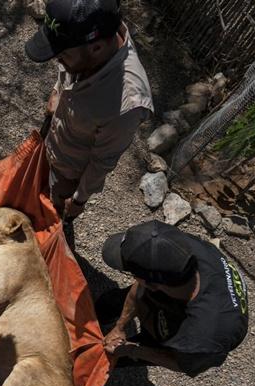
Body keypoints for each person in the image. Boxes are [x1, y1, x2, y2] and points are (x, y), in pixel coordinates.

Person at [25, 0, 154, 221]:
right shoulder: (89, 43)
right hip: (53, 144)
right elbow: (67, 69)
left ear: (96, 47)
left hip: (68, 171)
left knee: (50, 216)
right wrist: (58, 90)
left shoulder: (126, 105)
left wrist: (78, 199)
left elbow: (102, 160)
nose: (58, 61)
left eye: (62, 56)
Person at [98, 221, 249, 377]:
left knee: (114, 356)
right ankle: (102, 316)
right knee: (111, 303)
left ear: (153, 285)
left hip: (185, 338)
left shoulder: (202, 338)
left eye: (133, 272)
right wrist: (120, 326)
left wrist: (130, 350)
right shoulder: (176, 246)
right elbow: (140, 285)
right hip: (165, 292)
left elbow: (179, 362)